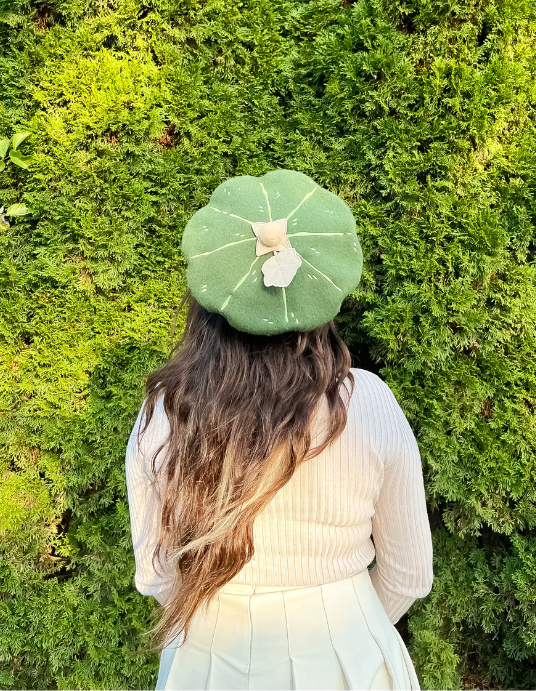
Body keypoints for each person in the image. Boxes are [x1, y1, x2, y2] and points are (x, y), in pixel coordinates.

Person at [125, 170, 433, 690]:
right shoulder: (369, 402)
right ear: (321, 298)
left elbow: (157, 574)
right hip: (351, 658)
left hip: (207, 658)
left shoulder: (166, 411)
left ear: (209, 300)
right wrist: (343, 621)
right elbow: (409, 575)